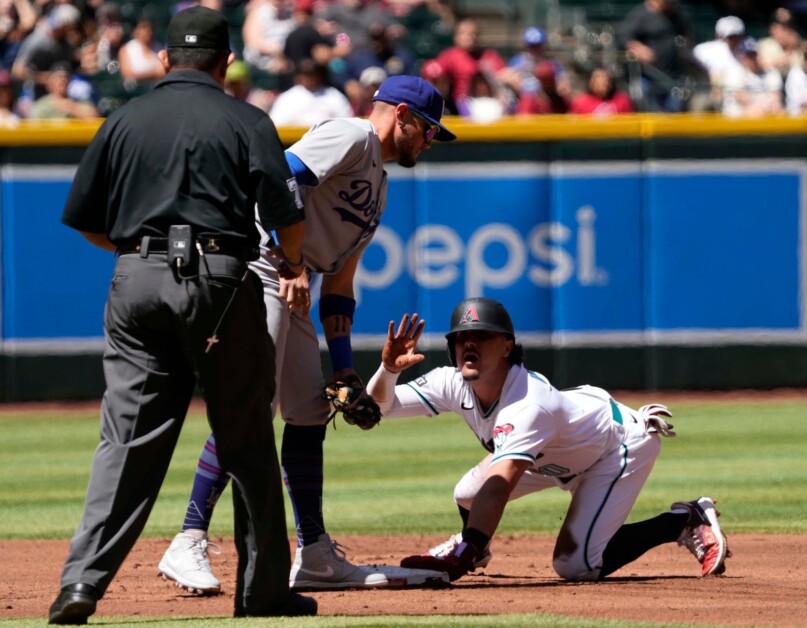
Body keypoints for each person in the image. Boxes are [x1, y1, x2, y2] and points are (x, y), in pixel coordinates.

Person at [47, 6, 316, 624]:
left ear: (165, 60)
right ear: (225, 63)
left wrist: (140, 259)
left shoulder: (123, 118)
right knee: (246, 435)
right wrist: (295, 266)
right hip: (221, 281)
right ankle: (261, 592)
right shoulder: (248, 119)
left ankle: (80, 586)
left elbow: (85, 218)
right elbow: (287, 216)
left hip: (135, 279)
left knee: (125, 441)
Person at [157, 74, 456, 595]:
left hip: (296, 283)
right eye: (428, 130)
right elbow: (279, 177)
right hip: (263, 269)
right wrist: (292, 261)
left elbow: (339, 285)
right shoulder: (351, 135)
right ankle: (188, 537)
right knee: (252, 406)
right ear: (403, 114)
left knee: (309, 411)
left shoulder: (379, 187)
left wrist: (344, 368)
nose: (430, 142)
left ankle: (315, 552)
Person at [364, 298, 731, 583]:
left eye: (482, 336)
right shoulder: (453, 382)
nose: (469, 343)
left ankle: (683, 520)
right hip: (554, 453)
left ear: (507, 346)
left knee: (575, 564)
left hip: (615, 447)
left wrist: (466, 550)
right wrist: (388, 370)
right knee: (467, 494)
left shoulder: (528, 403)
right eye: (461, 337)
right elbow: (381, 407)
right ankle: (473, 546)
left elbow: (500, 485)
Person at [617, 0, 695, 112]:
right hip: (649, 75)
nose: (670, 5)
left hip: (673, 75)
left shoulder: (677, 15)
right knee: (651, 113)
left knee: (673, 115)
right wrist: (639, 49)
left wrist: (684, 46)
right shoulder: (642, 15)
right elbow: (624, 36)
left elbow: (687, 35)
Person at [269, 58, 353, 126]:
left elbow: (347, 122)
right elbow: (277, 124)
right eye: (305, 74)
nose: (310, 78)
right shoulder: (287, 97)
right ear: (298, 76)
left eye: (313, 74)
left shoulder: (333, 95)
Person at [721, 37, 784, 118]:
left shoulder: (770, 72)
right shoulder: (734, 72)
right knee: (753, 112)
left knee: (778, 110)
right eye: (748, 55)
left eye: (754, 54)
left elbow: (776, 96)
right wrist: (761, 108)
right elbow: (741, 97)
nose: (752, 59)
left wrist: (766, 107)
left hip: (765, 110)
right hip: (738, 114)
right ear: (741, 56)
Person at [569, 67, 635, 115]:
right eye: (598, 82)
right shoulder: (580, 102)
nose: (603, 85)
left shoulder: (622, 101)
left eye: (606, 81)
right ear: (591, 83)